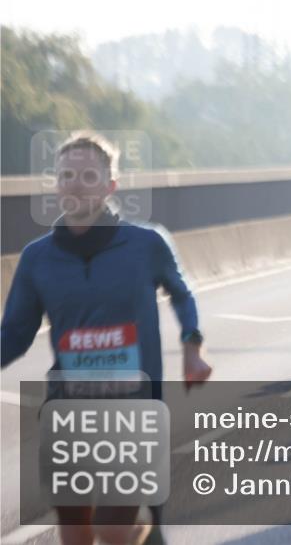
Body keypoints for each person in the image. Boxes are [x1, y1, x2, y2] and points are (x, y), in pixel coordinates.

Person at [1, 132, 212, 545]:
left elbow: (182, 292)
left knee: (112, 529)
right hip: (67, 408)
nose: (76, 184)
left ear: (109, 186)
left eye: (88, 176)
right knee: (76, 534)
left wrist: (193, 345)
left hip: (132, 409)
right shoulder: (37, 258)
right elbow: (15, 334)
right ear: (56, 185)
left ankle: (142, 533)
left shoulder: (146, 243)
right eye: (66, 175)